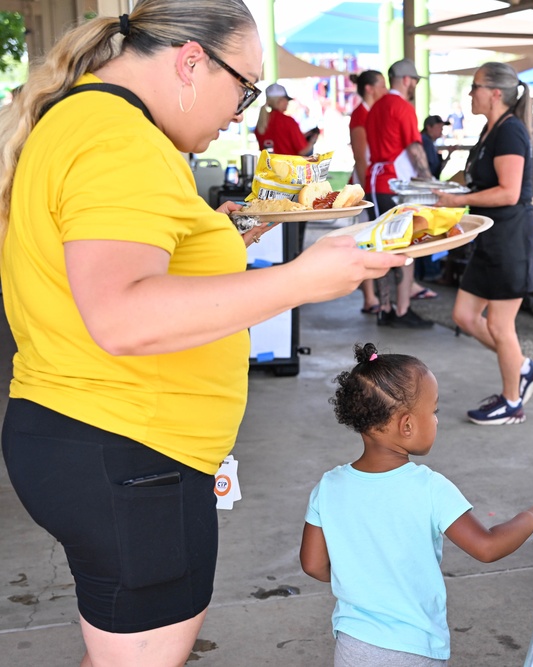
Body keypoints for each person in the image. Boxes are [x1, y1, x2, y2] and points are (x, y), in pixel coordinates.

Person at [0, 4, 406, 665]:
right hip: (128, 454)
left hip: (98, 442)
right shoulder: (119, 140)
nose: (241, 112)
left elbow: (115, 257)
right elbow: (123, 312)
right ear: (192, 61)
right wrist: (304, 278)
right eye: (243, 87)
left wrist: (225, 232)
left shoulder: (87, 121)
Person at [299, 342, 533, 665]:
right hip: (413, 648)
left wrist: (363, 578)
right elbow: (487, 547)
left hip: (353, 646)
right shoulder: (429, 487)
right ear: (407, 425)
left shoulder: (329, 486)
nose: (438, 421)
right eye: (434, 412)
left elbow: (313, 565)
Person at [434, 62, 533, 425]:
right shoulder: (490, 130)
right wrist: (447, 185)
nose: (470, 93)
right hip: (490, 237)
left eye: (475, 86)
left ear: (495, 93)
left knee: (500, 325)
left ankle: (512, 402)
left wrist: (455, 201)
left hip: (511, 239)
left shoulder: (510, 132)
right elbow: (477, 178)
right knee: (464, 316)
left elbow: (509, 192)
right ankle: (524, 367)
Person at [365, 58, 434, 328]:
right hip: (394, 186)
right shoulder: (402, 107)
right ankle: (403, 310)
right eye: (415, 80)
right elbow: (415, 150)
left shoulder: (375, 108)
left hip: (374, 183)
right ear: (406, 80)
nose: (415, 85)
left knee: (380, 246)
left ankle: (385, 308)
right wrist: (431, 183)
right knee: (406, 248)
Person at [348, 69, 388, 315]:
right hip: (366, 185)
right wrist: (366, 190)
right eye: (382, 85)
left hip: (374, 183)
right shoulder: (360, 114)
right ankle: (369, 296)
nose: (385, 90)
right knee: (366, 239)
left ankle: (373, 295)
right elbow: (361, 157)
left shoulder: (373, 112)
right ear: (370, 88)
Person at [254, 82, 317, 157]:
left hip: (268, 167)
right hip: (288, 167)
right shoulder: (288, 121)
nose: (288, 103)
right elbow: (303, 151)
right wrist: (312, 141)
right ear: (279, 100)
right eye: (286, 99)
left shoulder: (261, 122)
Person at [421, 114, 450, 180]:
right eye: (439, 127)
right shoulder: (426, 142)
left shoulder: (428, 141)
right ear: (429, 127)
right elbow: (433, 168)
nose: (442, 129)